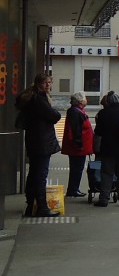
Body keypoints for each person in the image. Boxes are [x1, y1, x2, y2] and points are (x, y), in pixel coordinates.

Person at [16, 73, 60, 217]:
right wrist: (54, 112)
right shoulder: (38, 99)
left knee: (34, 173)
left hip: (34, 140)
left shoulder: (30, 98)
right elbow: (55, 116)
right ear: (38, 84)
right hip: (42, 142)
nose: (48, 85)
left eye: (49, 82)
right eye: (45, 83)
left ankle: (31, 204)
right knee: (40, 174)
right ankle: (41, 207)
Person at [62, 92, 94, 198]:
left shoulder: (77, 111)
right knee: (77, 168)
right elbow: (75, 130)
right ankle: (73, 189)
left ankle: (74, 188)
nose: (86, 100)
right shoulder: (76, 112)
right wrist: (79, 144)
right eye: (85, 98)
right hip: (78, 147)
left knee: (77, 168)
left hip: (78, 146)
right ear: (81, 102)